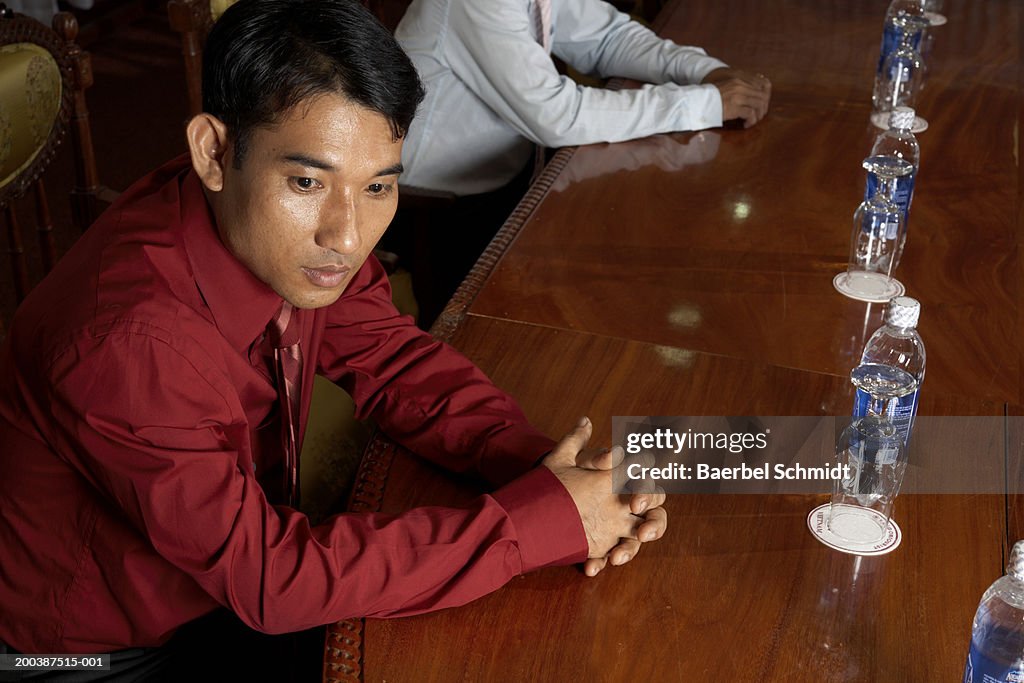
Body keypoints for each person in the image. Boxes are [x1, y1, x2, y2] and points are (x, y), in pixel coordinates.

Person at [0, 0, 666, 677]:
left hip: (221, 580)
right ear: (214, 151)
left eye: (378, 185)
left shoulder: (266, 220)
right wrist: (534, 524)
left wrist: (552, 477)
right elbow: (270, 579)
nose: (346, 235)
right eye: (306, 181)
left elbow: (394, 359)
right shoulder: (129, 341)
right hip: (88, 653)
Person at [394, 0, 772, 197]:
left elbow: (608, 38)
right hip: (439, 201)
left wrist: (706, 72)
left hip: (510, 173)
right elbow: (556, 116)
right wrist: (704, 104)